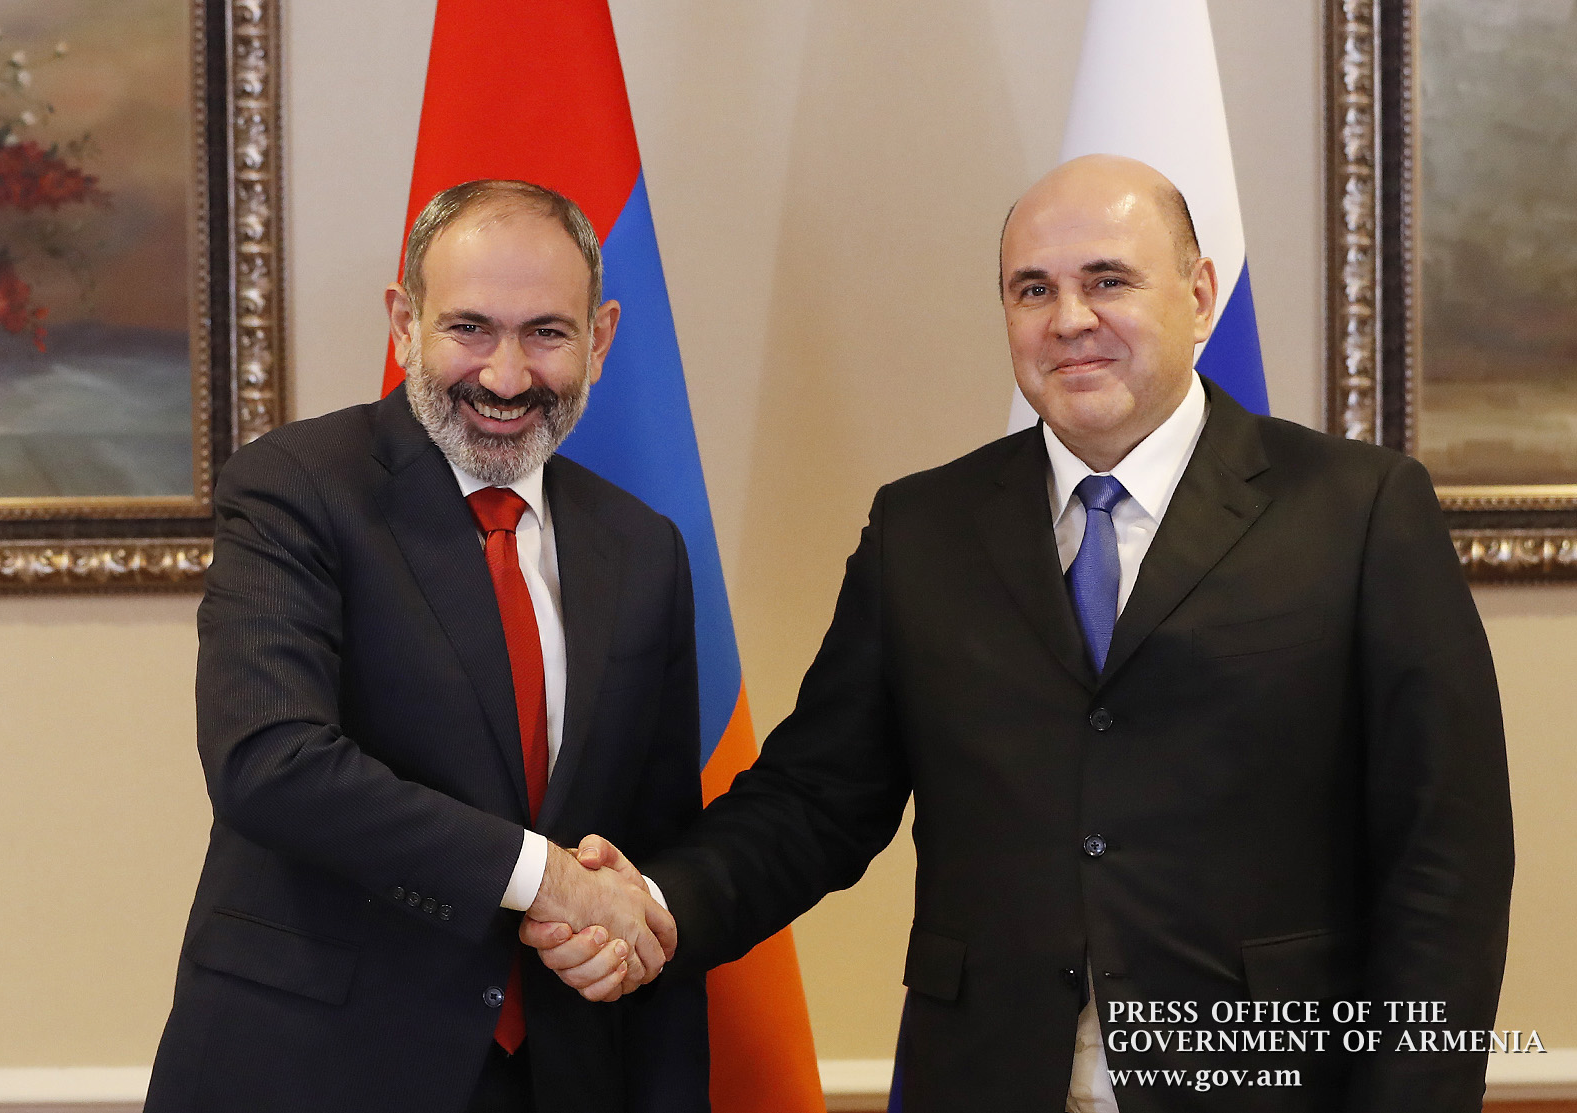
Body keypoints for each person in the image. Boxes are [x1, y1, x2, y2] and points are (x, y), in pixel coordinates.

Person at [528, 155, 1514, 1113]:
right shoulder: (922, 530)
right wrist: (656, 904)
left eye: (1108, 280)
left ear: (1200, 295)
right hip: (986, 1075)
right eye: (1032, 289)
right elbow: (814, 801)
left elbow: (1445, 860)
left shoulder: (1356, 511)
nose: (1069, 318)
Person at [145, 180, 707, 1113]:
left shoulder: (644, 547)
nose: (506, 376)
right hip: (314, 1071)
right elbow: (269, 761)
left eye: (547, 333)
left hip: (561, 1075)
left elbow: (654, 839)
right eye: (470, 328)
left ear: (600, 339)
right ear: (405, 324)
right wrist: (544, 877)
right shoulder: (294, 486)